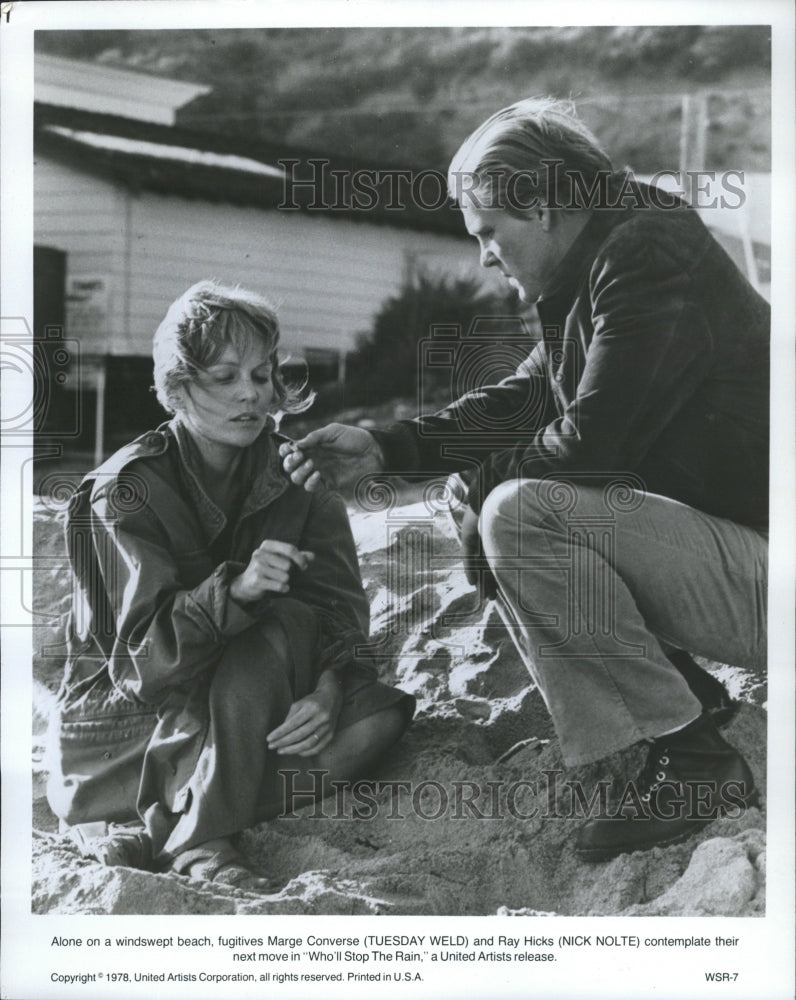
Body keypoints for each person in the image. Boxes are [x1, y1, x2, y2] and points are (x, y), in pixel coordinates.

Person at [282, 98, 768, 862]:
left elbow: (589, 445)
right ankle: (688, 707)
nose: (482, 257)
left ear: (539, 206)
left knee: (518, 511)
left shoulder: (646, 254)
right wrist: (386, 446)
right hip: (744, 561)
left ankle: (695, 760)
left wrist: (478, 489)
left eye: (487, 233)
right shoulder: (600, 257)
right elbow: (532, 397)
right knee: (498, 497)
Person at [46, 280, 414, 887]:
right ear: (179, 388)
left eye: (262, 374)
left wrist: (326, 690)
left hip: (252, 712)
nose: (252, 394)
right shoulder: (124, 491)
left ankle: (159, 826)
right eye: (225, 377)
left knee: (378, 720)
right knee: (274, 621)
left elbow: (343, 615)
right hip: (132, 731)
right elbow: (144, 665)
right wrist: (235, 594)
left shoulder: (295, 470)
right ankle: (202, 840)